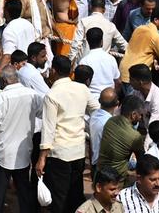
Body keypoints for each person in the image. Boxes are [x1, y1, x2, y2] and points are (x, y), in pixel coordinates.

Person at [37, 54, 99, 213]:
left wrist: (42, 158)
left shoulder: (52, 95)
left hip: (60, 153)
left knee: (58, 197)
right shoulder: (82, 89)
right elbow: (97, 110)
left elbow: (48, 128)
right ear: (70, 70)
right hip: (78, 150)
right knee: (75, 194)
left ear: (53, 71)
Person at [0, 66, 42, 213]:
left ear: (4, 80)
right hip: (23, 152)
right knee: (23, 190)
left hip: (3, 153)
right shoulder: (33, 95)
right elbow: (43, 114)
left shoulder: (0, 99)